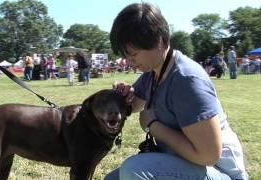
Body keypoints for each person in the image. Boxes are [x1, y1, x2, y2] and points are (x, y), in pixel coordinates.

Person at [105, 3, 248, 180]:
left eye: (133, 54)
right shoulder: (154, 72)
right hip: (190, 164)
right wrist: (124, 94)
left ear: (159, 41)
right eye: (126, 55)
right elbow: (134, 105)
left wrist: (153, 125)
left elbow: (209, 155)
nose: (129, 61)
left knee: (134, 170)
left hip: (221, 171)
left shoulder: (186, 80)